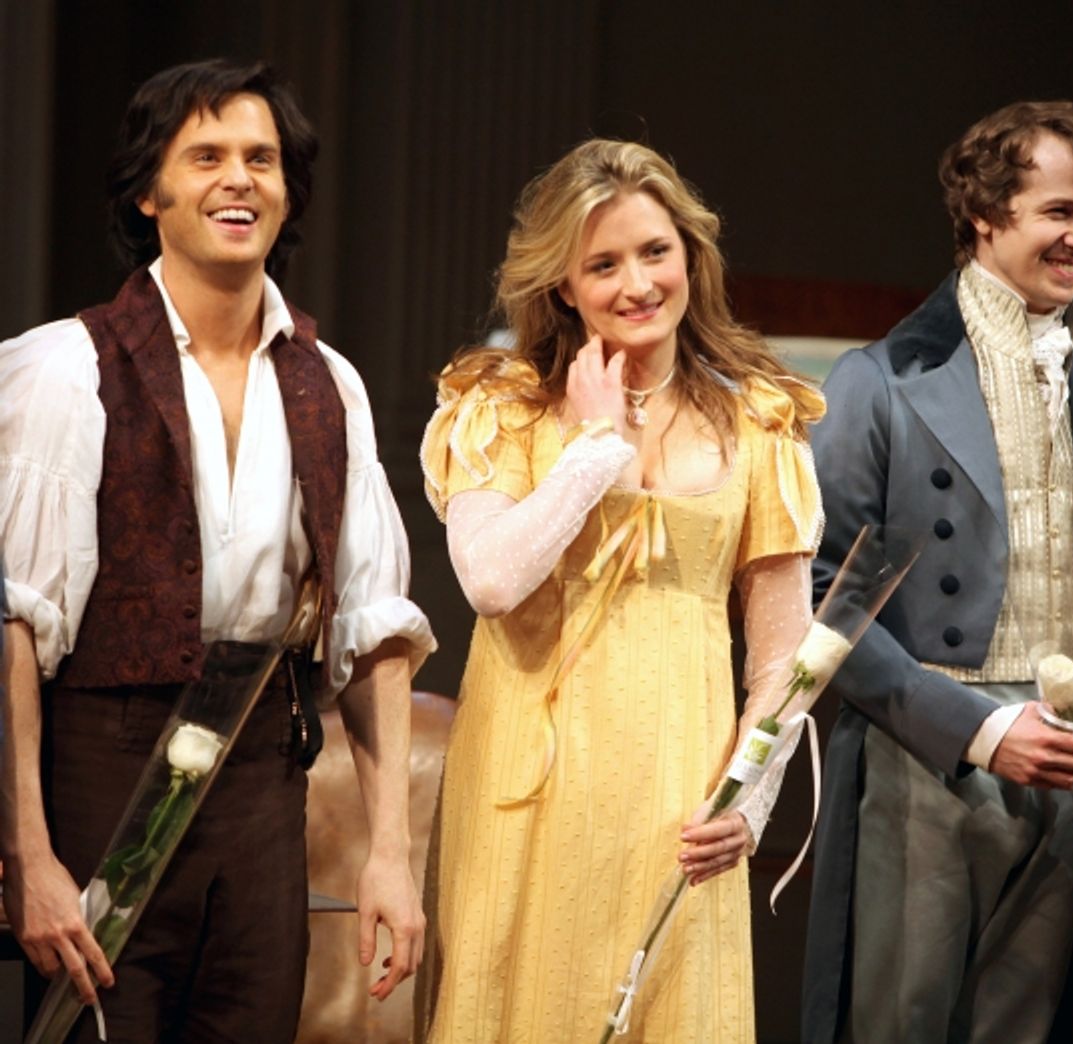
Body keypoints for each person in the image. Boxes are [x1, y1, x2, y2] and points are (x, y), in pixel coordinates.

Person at [0, 59, 436, 1042]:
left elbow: (371, 632)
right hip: (100, 774)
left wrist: (388, 856)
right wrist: (27, 852)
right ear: (150, 193)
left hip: (258, 780)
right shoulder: (66, 372)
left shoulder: (328, 384)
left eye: (261, 159)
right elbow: (15, 630)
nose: (240, 178)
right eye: (207, 156)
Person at [417, 139, 824, 1042]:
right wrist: (596, 450)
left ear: (690, 255)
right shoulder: (503, 409)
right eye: (603, 264)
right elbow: (489, 580)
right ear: (562, 284)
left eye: (654, 252)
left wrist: (748, 799)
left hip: (681, 791)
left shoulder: (758, 424)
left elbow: (785, 654)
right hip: (529, 787)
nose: (637, 283)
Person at [801, 100, 1073, 1043]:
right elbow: (823, 605)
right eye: (1059, 212)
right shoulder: (879, 382)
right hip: (929, 754)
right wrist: (981, 729)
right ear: (983, 214)